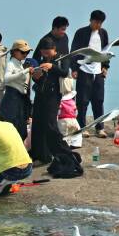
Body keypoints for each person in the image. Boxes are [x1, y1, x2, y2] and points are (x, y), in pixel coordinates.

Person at [29, 36, 70, 165]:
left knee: (50, 124)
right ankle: (39, 155)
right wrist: (35, 76)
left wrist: (51, 66)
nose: (45, 55)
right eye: (43, 52)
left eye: (48, 52)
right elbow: (37, 79)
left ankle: (61, 151)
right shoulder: (41, 60)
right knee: (37, 124)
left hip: (53, 96)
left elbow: (64, 72)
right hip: (40, 94)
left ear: (54, 49)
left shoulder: (62, 58)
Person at [72, 10, 111, 135]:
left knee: (98, 100)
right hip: (83, 70)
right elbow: (74, 51)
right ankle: (82, 127)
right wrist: (74, 68)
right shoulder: (81, 32)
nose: (98, 25)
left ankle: (100, 128)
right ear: (90, 20)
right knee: (82, 101)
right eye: (96, 22)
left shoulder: (103, 33)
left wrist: (105, 66)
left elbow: (106, 51)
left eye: (100, 23)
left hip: (98, 71)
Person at [0, 39, 33, 139]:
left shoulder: (19, 64)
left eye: (27, 52)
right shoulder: (11, 64)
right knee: (11, 128)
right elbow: (6, 79)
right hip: (11, 98)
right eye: (23, 52)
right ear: (14, 52)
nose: (25, 54)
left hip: (18, 99)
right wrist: (25, 71)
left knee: (20, 129)